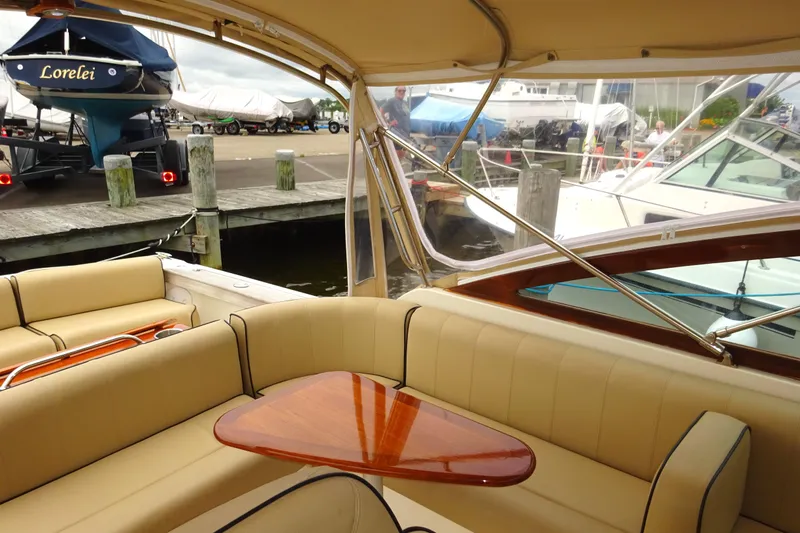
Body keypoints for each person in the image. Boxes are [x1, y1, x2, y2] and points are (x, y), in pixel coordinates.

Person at [381, 86, 411, 160]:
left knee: (402, 154)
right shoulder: (392, 101)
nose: (402, 92)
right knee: (397, 157)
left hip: (405, 133)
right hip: (397, 133)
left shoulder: (404, 102)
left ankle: (399, 168)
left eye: (404, 91)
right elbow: (381, 110)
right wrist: (388, 123)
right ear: (395, 91)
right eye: (399, 90)